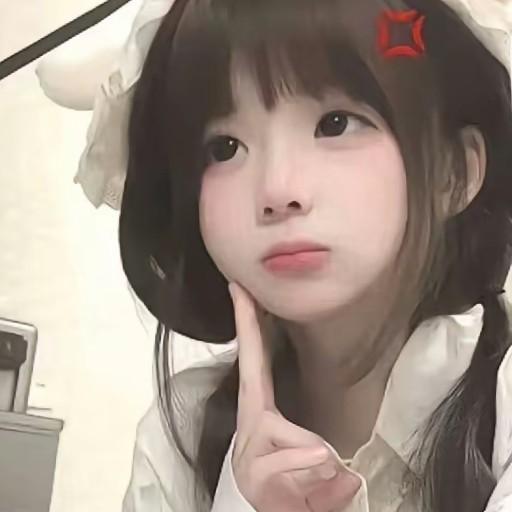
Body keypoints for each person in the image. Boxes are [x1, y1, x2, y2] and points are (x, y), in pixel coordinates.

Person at [78, 0, 512, 510]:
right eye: (224, 148)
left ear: (452, 173)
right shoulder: (183, 430)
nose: (278, 191)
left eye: (335, 124)